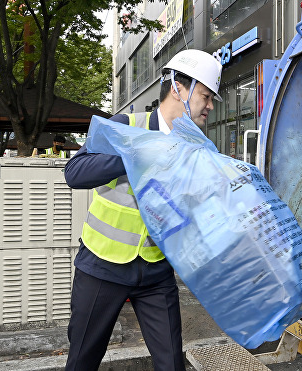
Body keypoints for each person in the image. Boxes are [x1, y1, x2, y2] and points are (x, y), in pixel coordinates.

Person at [63, 49, 223, 371]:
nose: (210, 106)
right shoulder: (127, 125)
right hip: (102, 267)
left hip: (155, 271)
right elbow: (75, 172)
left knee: (171, 365)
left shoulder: (195, 149)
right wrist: (136, 153)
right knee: (82, 361)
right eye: (206, 96)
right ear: (179, 88)